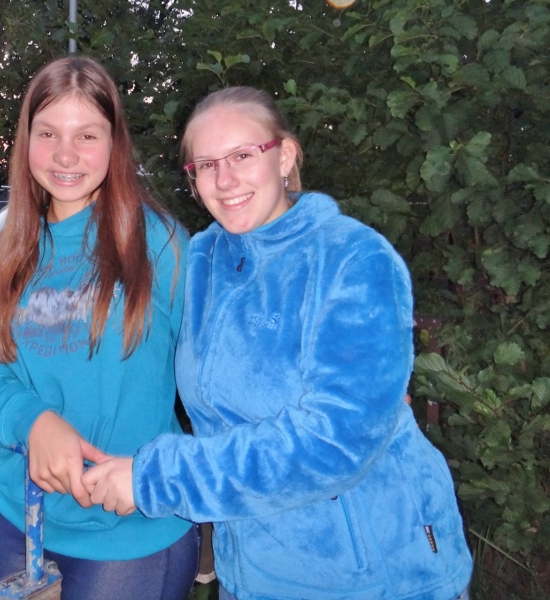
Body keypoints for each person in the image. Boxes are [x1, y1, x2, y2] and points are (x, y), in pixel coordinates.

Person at [82, 87, 473, 600]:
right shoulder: (199, 263)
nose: (224, 180)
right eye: (206, 165)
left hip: (378, 576)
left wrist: (157, 478)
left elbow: (335, 441)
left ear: (284, 156)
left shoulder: (353, 259)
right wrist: (5, 330)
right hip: (252, 575)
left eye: (243, 156)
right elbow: (121, 337)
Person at [0, 56, 198, 600]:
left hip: (130, 534)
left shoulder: (159, 244)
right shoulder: (13, 247)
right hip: (19, 521)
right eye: (47, 133)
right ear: (25, 141)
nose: (65, 155)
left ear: (115, 144)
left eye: (87, 135)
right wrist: (34, 421)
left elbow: (222, 380)